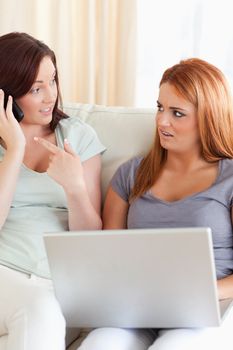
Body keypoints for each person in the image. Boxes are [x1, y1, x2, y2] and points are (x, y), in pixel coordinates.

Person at [76, 58, 233, 350]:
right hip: (138, 308)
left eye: (177, 113)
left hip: (208, 308)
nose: (162, 121)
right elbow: (109, 255)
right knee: (98, 345)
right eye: (160, 107)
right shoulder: (131, 174)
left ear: (208, 117)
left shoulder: (229, 177)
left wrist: (200, 292)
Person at [0, 32, 105, 350]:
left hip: (55, 279)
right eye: (35, 88)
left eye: (53, 81)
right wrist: (15, 148)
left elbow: (90, 237)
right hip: (5, 270)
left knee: (43, 309)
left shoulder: (77, 136)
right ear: (7, 94)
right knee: (41, 310)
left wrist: (74, 188)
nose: (50, 96)